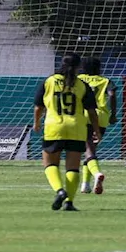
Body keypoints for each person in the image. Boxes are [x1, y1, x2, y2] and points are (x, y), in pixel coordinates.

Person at [34, 53, 101, 212]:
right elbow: (92, 112)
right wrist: (97, 130)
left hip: (54, 127)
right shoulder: (82, 85)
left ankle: (60, 191)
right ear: (78, 67)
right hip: (76, 128)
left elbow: (38, 107)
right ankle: (69, 202)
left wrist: (36, 123)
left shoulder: (49, 81)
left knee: (50, 164)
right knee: (73, 168)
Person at [77, 57, 117, 195]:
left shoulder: (78, 79)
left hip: (83, 114)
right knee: (91, 150)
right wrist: (113, 114)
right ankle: (85, 185)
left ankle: (96, 174)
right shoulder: (105, 81)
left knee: (88, 150)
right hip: (101, 117)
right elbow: (112, 95)